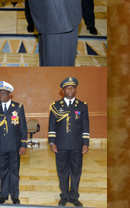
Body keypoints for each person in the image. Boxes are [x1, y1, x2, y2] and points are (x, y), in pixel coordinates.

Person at [48, 77, 90, 207]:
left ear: (75, 90)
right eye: (67, 88)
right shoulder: (56, 106)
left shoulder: (82, 105)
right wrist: (52, 142)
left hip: (77, 145)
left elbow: (85, 125)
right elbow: (52, 126)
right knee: (62, 171)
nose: (70, 89)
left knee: (76, 172)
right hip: (60, 145)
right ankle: (64, 196)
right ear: (63, 91)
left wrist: (85, 143)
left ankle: (74, 196)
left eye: (72, 87)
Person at [0, 81, 28, 205]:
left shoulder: (18, 107)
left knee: (14, 171)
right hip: (1, 146)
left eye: (4, 93)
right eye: (0, 94)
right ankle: (4, 195)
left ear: (10, 94)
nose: (1, 96)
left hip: (14, 146)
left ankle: (15, 196)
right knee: (3, 171)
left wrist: (23, 144)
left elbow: (23, 127)